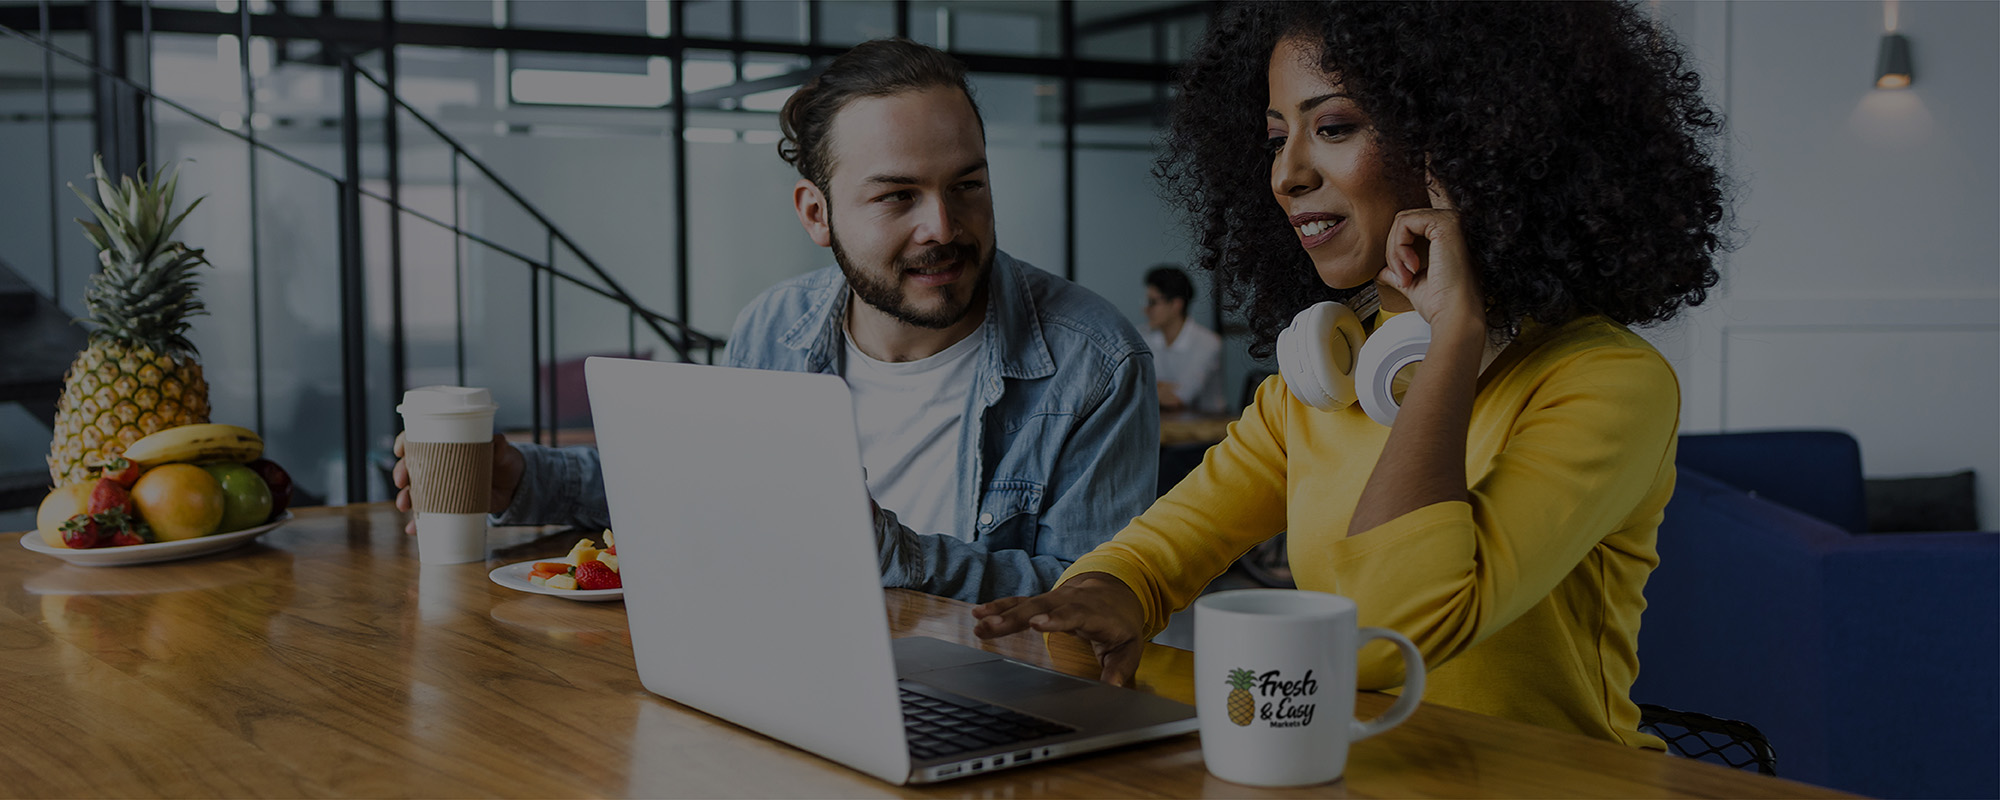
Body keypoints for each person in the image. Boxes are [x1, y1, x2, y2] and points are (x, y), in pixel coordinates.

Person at [972, 0, 1728, 749]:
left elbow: (1392, 630)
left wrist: (1452, 336)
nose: (1286, 174)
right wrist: (1108, 592)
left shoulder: (1607, 382)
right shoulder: (1323, 380)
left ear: (1462, 143)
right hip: (1345, 769)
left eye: (1333, 127)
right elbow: (1159, 550)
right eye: (1277, 138)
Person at [391, 39, 1159, 604]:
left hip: (986, 701)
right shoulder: (776, 325)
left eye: (967, 186)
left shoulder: (1095, 362)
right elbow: (689, 479)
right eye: (898, 196)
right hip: (785, 660)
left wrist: (894, 555)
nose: (943, 226)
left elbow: (1094, 602)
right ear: (816, 214)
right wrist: (518, 479)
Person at [1141, 265, 1225, 414]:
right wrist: (1156, 388)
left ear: (1176, 305)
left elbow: (1178, 398)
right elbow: (1127, 387)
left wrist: (1147, 387)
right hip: (1163, 423)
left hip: (1206, 425)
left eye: (1153, 302)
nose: (1146, 310)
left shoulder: (1208, 342)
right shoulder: (1142, 336)